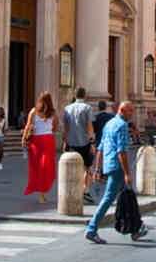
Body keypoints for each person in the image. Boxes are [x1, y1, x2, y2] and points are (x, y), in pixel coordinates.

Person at [85, 101, 148, 243]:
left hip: (109, 165)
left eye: (132, 111)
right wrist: (127, 173)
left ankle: (136, 227)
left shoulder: (109, 124)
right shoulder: (121, 126)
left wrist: (98, 168)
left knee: (129, 196)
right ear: (121, 110)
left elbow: (101, 148)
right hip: (117, 167)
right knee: (109, 198)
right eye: (129, 111)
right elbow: (122, 152)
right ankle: (92, 228)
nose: (132, 114)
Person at [22, 91, 60, 204]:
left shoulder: (33, 111)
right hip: (48, 140)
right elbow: (55, 127)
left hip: (36, 141)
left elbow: (28, 126)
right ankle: (42, 193)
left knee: (37, 167)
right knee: (46, 166)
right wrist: (47, 128)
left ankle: (39, 191)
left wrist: (24, 138)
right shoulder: (53, 113)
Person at [62, 87, 96, 205]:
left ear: (74, 96)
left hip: (71, 142)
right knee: (88, 166)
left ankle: (73, 190)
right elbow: (89, 126)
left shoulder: (67, 108)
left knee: (73, 166)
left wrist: (65, 141)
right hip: (85, 142)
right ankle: (85, 189)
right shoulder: (87, 108)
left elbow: (66, 128)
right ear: (84, 96)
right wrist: (92, 142)